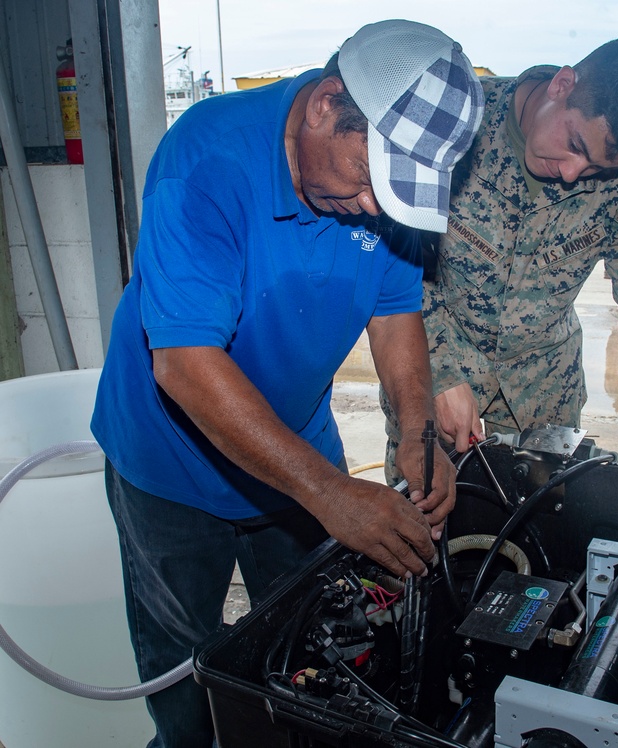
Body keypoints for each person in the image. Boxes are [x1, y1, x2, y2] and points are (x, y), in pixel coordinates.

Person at [89, 20, 484, 748]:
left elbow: (396, 315)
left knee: (322, 649)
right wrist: (331, 494)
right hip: (169, 470)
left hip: (294, 449)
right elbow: (183, 362)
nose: (375, 207)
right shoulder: (205, 161)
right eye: (370, 180)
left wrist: (419, 432)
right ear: (325, 104)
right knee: (185, 674)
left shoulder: (375, 191)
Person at [382, 35, 618, 506]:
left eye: (597, 169)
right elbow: (394, 257)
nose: (572, 173)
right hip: (430, 372)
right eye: (574, 144)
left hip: (545, 391)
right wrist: (440, 370)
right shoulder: (457, 123)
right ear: (562, 85)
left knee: (538, 543)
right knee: (422, 533)